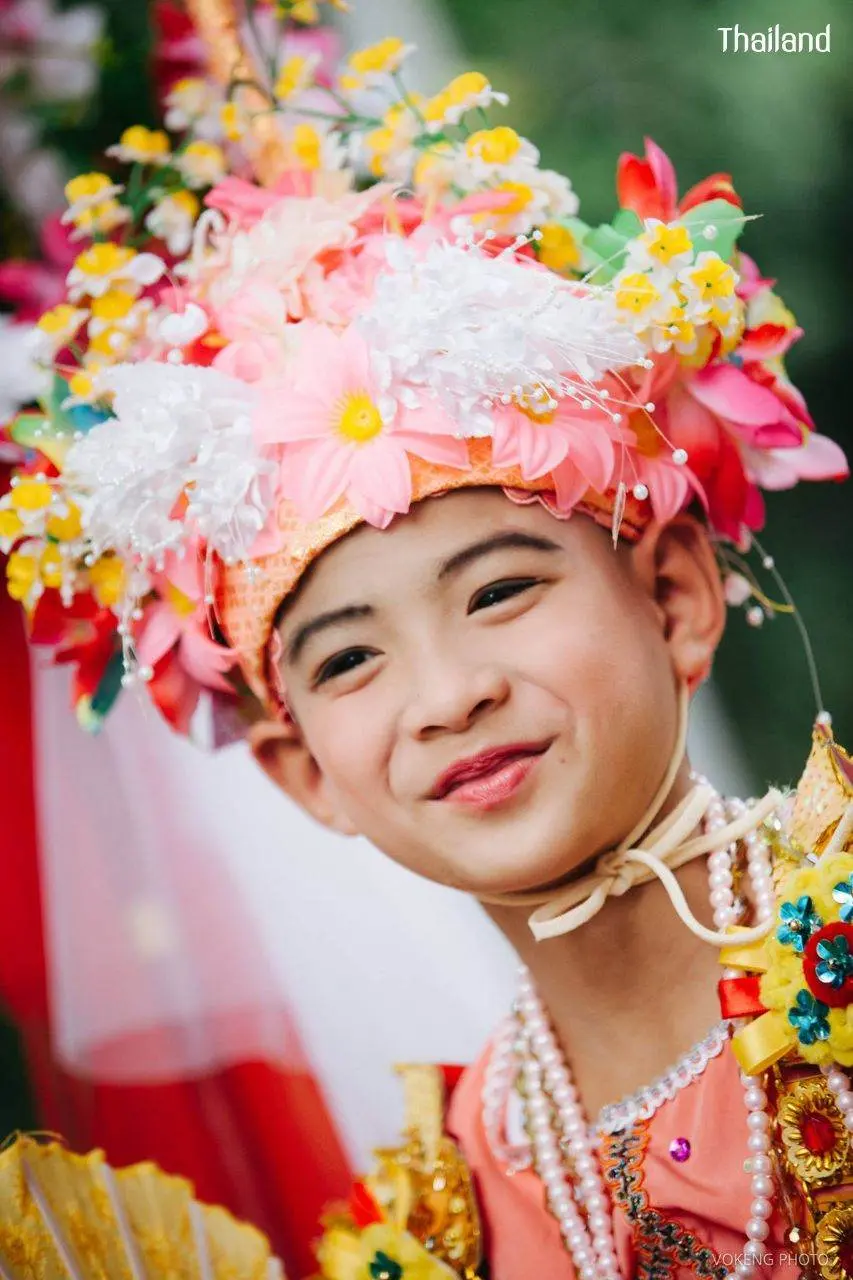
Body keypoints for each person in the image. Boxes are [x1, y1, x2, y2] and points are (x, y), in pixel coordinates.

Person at [2, 2, 852, 1277]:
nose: (448, 695)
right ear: (305, 774)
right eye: (348, 658)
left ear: (674, 595)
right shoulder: (444, 1204)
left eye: (498, 590)